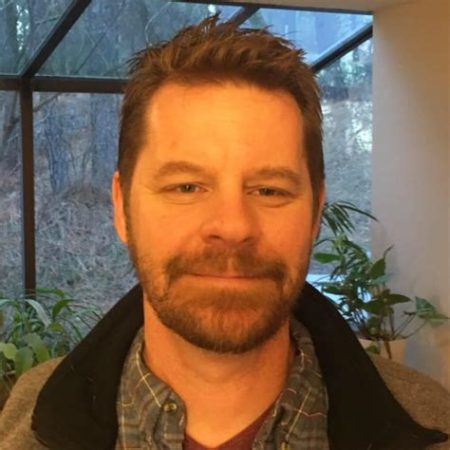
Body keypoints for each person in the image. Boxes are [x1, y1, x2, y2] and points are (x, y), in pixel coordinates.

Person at [0, 15, 449, 450]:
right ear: (121, 208)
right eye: (186, 186)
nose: (233, 227)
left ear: (316, 211)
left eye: (269, 190)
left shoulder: (433, 420)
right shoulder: (22, 424)